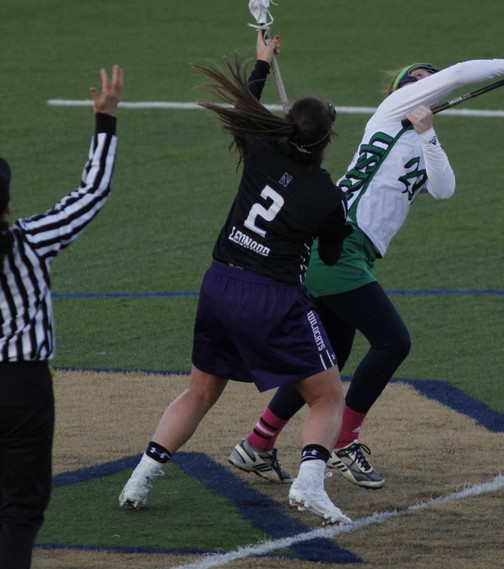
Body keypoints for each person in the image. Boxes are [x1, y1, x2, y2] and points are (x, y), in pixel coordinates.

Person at [229, 52, 504, 490]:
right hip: (338, 245)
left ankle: (257, 443)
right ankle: (344, 441)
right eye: (417, 79)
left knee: (329, 360)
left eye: (429, 81)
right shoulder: (390, 112)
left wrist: (429, 133)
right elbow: (457, 75)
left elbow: (444, 189)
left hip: (351, 252)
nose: (427, 83)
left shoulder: (418, 136)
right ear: (401, 88)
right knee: (393, 341)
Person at [119, 33, 353, 525]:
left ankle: (140, 477)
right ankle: (310, 485)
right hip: (273, 298)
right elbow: (330, 255)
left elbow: (246, 104)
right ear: (327, 141)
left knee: (199, 392)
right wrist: (339, 221)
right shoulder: (326, 195)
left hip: (220, 284)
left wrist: (263, 61)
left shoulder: (262, 149)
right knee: (328, 397)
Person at [0, 66, 123, 569]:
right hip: (22, 389)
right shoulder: (27, 242)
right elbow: (91, 194)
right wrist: (105, 120)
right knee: (19, 510)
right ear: (6, 203)